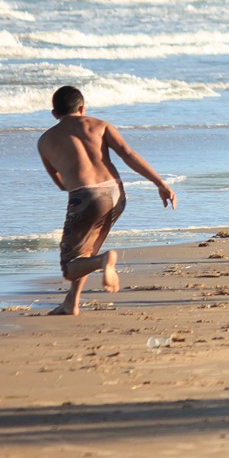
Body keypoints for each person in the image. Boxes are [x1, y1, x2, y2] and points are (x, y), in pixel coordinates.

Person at [37, 86, 177, 315]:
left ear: (54, 113)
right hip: (116, 193)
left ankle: (105, 260)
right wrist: (160, 183)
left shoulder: (44, 141)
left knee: (70, 267)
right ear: (82, 108)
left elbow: (61, 184)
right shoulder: (100, 125)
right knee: (87, 251)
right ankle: (71, 302)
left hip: (86, 196)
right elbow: (128, 155)